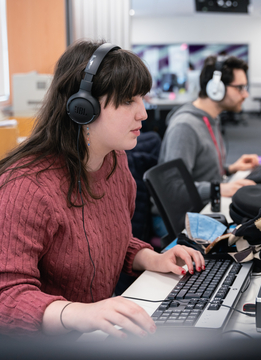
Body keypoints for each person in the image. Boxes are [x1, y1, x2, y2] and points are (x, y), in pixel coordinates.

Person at [0, 40, 205, 339]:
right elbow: (6, 295)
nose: (143, 113)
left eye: (142, 99)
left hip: (96, 334)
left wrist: (153, 258)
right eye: (127, 101)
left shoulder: (114, 162)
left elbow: (112, 241)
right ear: (82, 108)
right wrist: (78, 312)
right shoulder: (26, 187)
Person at [159, 55, 259, 204]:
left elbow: (198, 173)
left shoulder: (211, 118)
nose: (246, 94)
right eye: (240, 88)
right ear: (216, 88)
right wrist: (219, 188)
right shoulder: (185, 126)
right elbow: (172, 188)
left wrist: (230, 169)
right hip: (181, 218)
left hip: (204, 204)